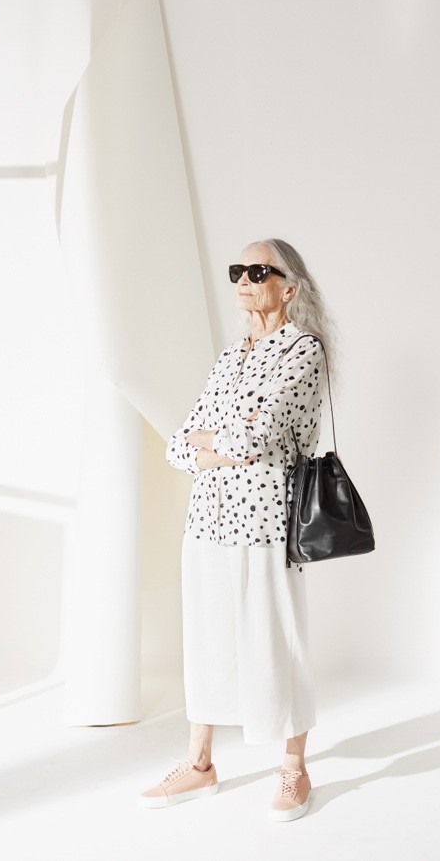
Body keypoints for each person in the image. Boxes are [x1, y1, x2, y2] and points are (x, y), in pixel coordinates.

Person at [137, 238, 338, 821]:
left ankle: (294, 767)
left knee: (276, 638)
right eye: (238, 271)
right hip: (207, 518)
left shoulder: (304, 351)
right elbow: (178, 443)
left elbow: (254, 438)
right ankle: (199, 764)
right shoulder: (231, 357)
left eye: (258, 271)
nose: (244, 280)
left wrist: (218, 439)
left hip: (267, 519)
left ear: (289, 288)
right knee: (206, 638)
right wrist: (219, 440)